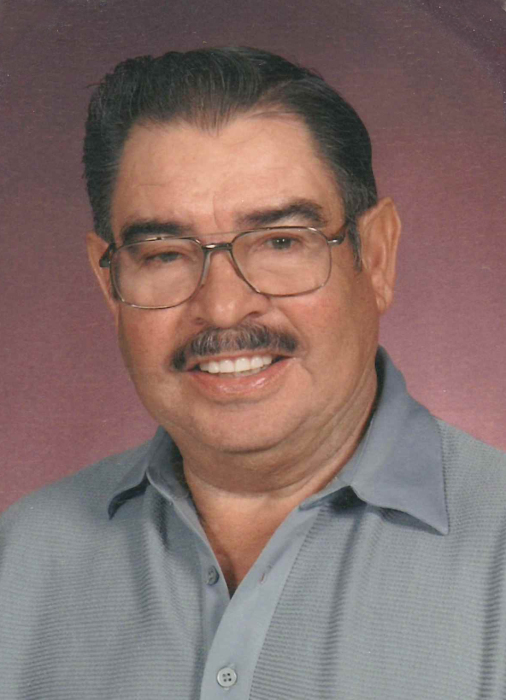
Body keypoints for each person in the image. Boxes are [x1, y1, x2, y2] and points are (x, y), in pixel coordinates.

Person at [1, 47, 505, 700]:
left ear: (377, 256)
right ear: (111, 286)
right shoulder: (18, 565)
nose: (223, 307)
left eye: (280, 242)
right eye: (165, 255)